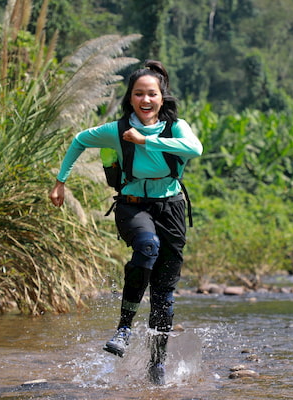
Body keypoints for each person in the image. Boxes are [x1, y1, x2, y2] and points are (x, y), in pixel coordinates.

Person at [49, 60, 203, 384]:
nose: (145, 100)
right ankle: (123, 330)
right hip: (133, 205)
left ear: (162, 97)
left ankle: (157, 364)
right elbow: (79, 140)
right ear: (130, 98)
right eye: (138, 94)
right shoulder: (116, 131)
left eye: (152, 94)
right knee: (147, 247)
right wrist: (60, 181)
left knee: (164, 294)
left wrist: (147, 141)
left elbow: (195, 148)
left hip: (172, 208)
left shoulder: (175, 127)